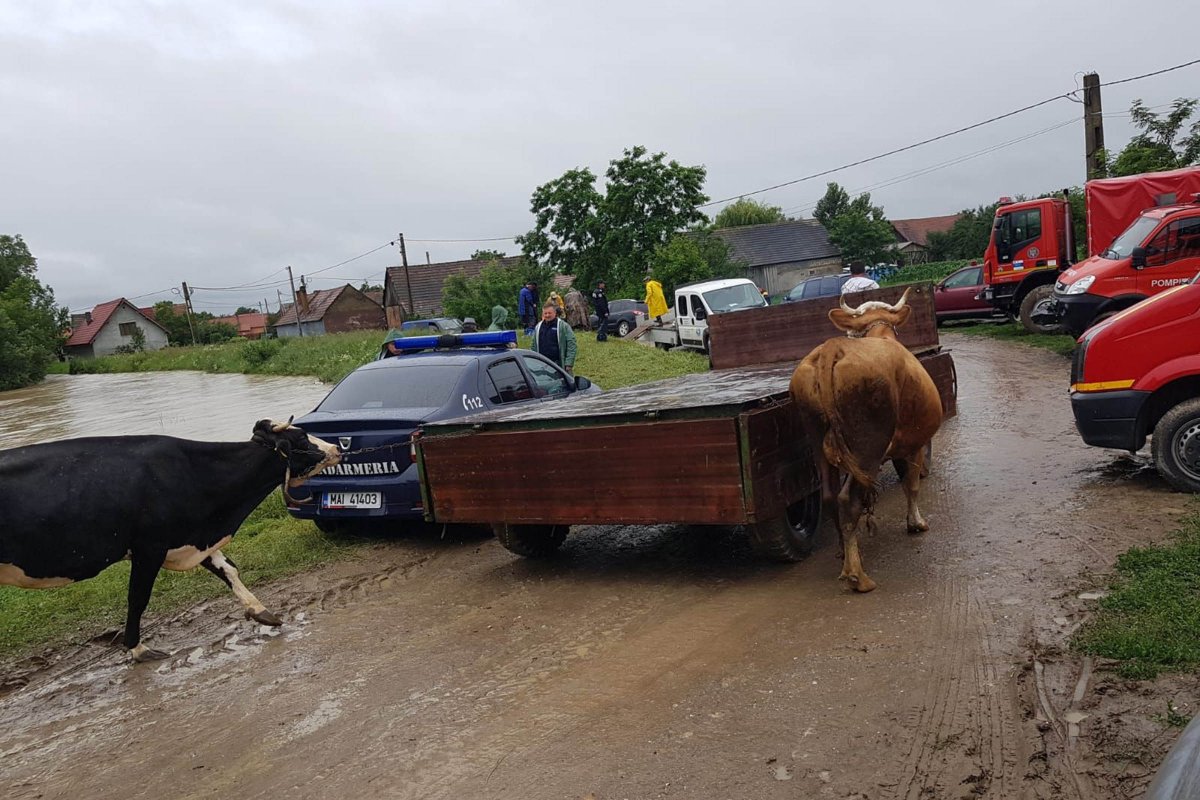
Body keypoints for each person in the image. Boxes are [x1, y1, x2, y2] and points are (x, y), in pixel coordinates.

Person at [530, 302, 577, 373]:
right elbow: (533, 346)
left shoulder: (563, 326)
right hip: (542, 364)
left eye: (549, 313)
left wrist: (569, 363)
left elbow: (572, 344)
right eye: (545, 313)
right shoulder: (538, 327)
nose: (547, 315)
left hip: (558, 364)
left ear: (555, 313)